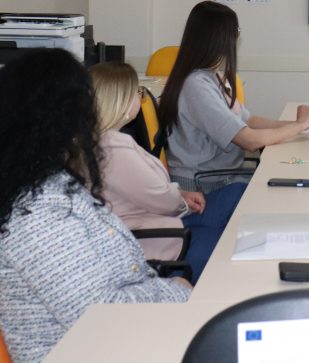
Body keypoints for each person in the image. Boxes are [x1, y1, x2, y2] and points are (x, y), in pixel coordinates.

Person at [0, 49, 191, 363]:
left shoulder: (51, 181)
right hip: (92, 349)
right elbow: (98, 316)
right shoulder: (36, 214)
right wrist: (176, 291)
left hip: (114, 341)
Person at [89, 62, 243, 282]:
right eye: (138, 93)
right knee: (227, 239)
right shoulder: (114, 149)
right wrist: (181, 200)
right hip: (156, 236)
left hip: (159, 218)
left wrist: (180, 194)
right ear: (121, 102)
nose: (140, 98)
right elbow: (163, 200)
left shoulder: (101, 141)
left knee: (238, 194)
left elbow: (148, 191)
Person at [159, 0, 309, 193]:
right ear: (220, 38)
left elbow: (248, 120)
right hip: (204, 186)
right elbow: (249, 140)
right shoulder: (196, 86)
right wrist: (299, 125)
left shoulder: (212, 76)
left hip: (222, 177)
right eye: (236, 31)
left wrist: (296, 125)